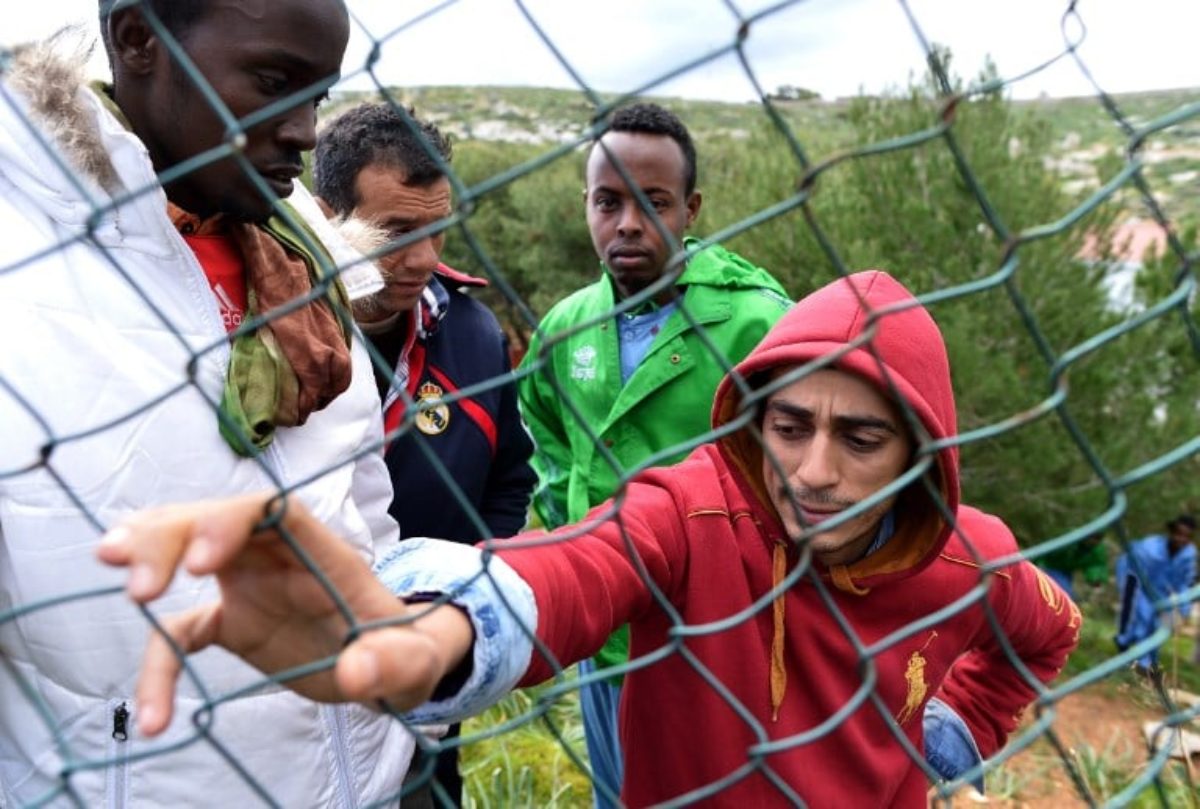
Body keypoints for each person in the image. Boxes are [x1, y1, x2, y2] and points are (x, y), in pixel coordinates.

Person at [102, 271, 1082, 807]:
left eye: (861, 439)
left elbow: (1048, 634)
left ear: (921, 453)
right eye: (789, 426)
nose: (813, 471)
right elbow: (580, 564)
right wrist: (433, 630)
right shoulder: (696, 510)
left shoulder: (967, 556)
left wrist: (945, 742)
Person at [0, 1, 417, 805]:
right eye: (274, 81)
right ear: (139, 40)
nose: (306, 132)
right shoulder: (22, 275)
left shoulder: (305, 261)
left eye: (320, 95)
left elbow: (367, 521)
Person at [517, 101, 791, 805]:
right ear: (586, 204)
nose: (629, 224)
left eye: (654, 203)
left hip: (722, 631)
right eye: (608, 202)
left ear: (690, 210)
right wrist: (575, 532)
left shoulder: (757, 321)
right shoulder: (565, 327)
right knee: (619, 790)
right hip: (608, 630)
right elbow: (546, 434)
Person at [313, 101, 537, 804]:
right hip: (297, 676)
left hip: (425, 678)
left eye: (438, 229)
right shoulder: (271, 332)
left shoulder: (473, 335)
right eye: (395, 232)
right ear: (326, 217)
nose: (424, 259)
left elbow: (509, 481)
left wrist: (458, 605)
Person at [1114, 514, 1197, 673]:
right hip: (1138, 585)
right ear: (1171, 532)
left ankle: (1146, 663)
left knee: (1157, 627)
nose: (1181, 539)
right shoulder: (1149, 547)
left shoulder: (1188, 555)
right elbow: (1129, 565)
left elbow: (1185, 582)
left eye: (1187, 536)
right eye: (1178, 533)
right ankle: (1128, 651)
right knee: (1140, 621)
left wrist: (1183, 608)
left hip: (1162, 595)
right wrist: (1125, 587)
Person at [1038, 533, 1108, 601]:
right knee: (1062, 593)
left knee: (1065, 594)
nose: (1094, 541)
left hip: (1066, 571)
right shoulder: (1070, 539)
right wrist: (1039, 564)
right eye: (1093, 538)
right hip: (1050, 567)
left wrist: (1095, 579)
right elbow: (1046, 551)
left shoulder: (1096, 549)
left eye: (1098, 538)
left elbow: (1094, 564)